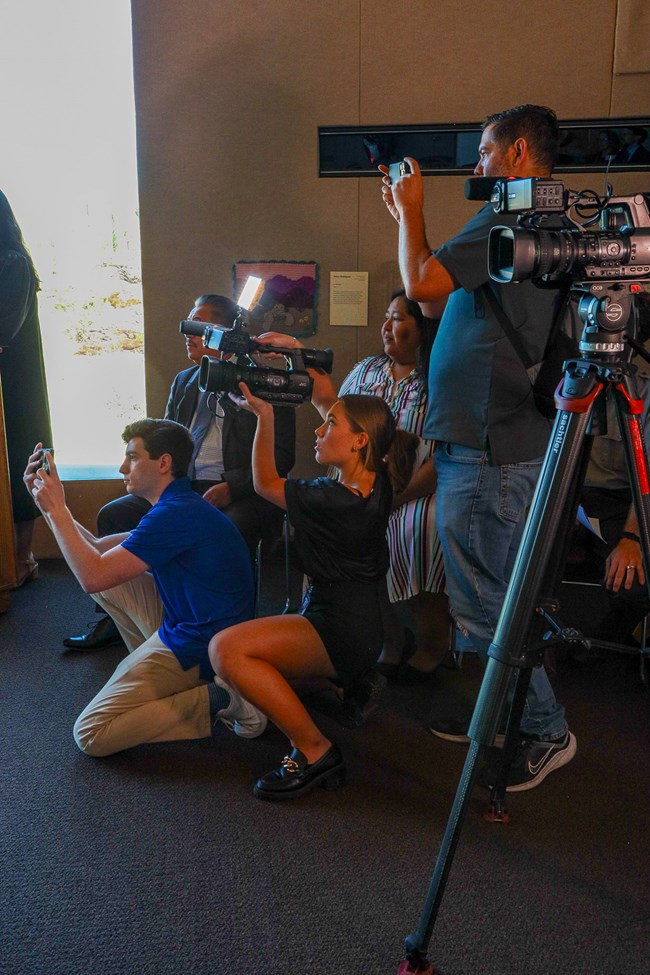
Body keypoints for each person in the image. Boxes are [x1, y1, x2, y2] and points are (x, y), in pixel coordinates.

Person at [380, 104, 576, 792]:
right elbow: (438, 301)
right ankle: (501, 713)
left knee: (489, 599)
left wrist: (410, 210)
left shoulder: (513, 214)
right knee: (487, 591)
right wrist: (413, 225)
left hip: (490, 446)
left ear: (520, 153)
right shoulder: (537, 215)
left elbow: (419, 286)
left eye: (487, 153)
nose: (478, 166)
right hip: (490, 439)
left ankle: (546, 729)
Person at [208, 368, 419, 801]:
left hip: (340, 628)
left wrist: (264, 414)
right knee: (251, 684)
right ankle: (336, 685)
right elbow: (332, 401)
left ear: (359, 440)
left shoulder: (334, 499)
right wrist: (293, 363)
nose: (319, 431)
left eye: (330, 427)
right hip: (358, 622)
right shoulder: (374, 479)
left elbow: (266, 483)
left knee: (225, 651)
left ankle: (316, 750)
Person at [63, 293, 296, 651]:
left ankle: (233, 635)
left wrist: (231, 488)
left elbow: (281, 458)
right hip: (182, 488)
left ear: (221, 332)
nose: (187, 333)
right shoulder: (185, 381)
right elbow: (164, 445)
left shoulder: (263, 383)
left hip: (241, 491)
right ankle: (121, 616)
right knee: (113, 515)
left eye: (197, 326)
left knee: (232, 528)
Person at [24, 418, 265, 757]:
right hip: (190, 625)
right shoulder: (176, 506)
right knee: (108, 581)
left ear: (164, 463)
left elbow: (91, 574)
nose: (123, 467)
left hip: (201, 647)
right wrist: (46, 504)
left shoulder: (176, 514)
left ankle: (221, 697)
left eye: (133, 457)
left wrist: (59, 508)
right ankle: (167, 683)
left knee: (91, 733)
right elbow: (94, 549)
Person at [337, 289, 448, 681]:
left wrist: (397, 497)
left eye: (398, 319)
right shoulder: (366, 370)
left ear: (423, 329)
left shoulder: (439, 377)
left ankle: (434, 640)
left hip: (422, 488)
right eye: (386, 317)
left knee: (416, 530)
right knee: (351, 530)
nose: (386, 327)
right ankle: (390, 637)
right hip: (365, 486)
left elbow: (445, 454)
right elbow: (337, 427)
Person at [0, 189, 53, 586]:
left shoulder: (13, 263)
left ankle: (22, 559)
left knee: (20, 466)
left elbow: (3, 328)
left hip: (13, 391)